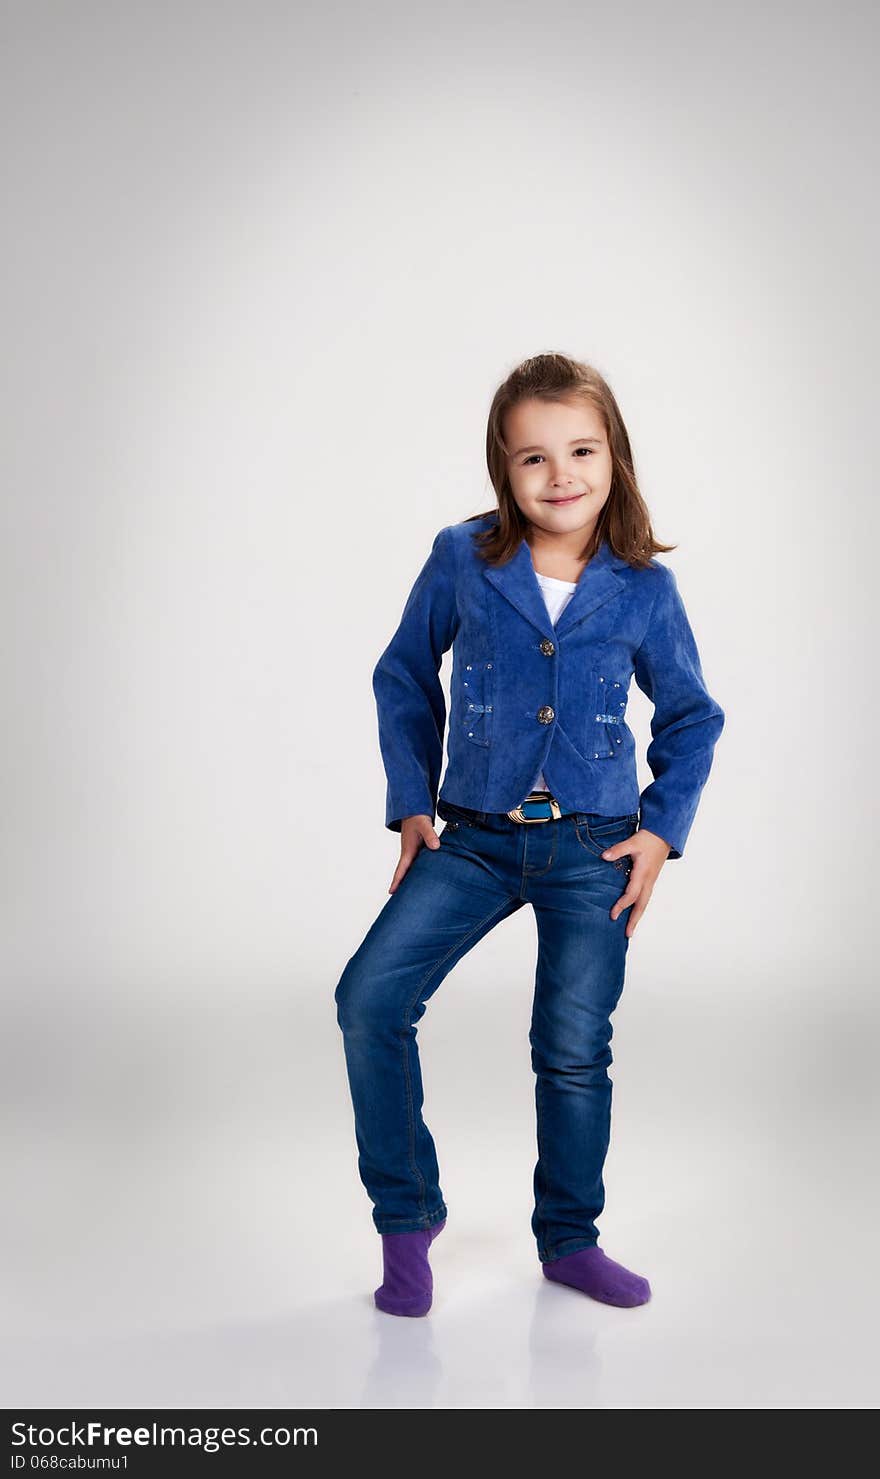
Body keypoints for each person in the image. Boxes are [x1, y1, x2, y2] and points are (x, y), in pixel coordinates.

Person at [334, 351, 725, 1317]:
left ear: (614, 457)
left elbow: (691, 717)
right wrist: (412, 802)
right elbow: (402, 675)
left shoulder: (641, 589)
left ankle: (570, 1238)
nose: (561, 476)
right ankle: (406, 1216)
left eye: (582, 450)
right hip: (467, 838)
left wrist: (660, 834)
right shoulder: (464, 558)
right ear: (501, 471)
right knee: (369, 1000)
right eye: (533, 458)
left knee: (572, 1045)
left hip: (593, 845)